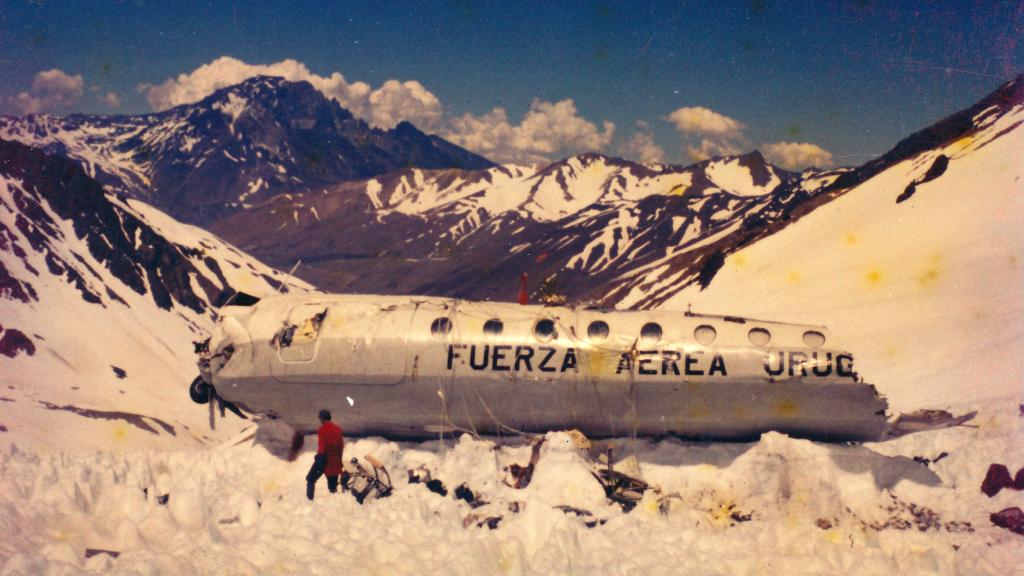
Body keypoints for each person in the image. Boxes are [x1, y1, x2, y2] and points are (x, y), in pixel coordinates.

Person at [306, 409, 344, 500]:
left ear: (322, 418)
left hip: (324, 460)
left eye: (320, 418)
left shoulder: (322, 430)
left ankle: (309, 501)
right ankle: (335, 504)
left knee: (310, 479)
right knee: (332, 487)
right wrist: (339, 460)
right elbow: (341, 446)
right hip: (335, 461)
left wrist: (319, 459)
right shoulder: (338, 429)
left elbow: (322, 446)